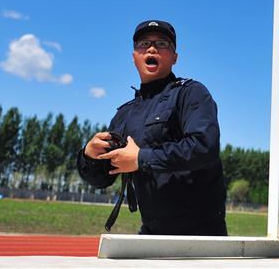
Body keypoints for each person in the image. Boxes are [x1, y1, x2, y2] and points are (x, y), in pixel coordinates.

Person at [77, 19, 227, 235]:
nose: (152, 48)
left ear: (174, 57)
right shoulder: (125, 114)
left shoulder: (191, 93)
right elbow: (104, 178)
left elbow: (204, 147)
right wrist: (88, 157)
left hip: (202, 235)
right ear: (134, 57)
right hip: (151, 234)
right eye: (143, 43)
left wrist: (141, 159)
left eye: (162, 44)